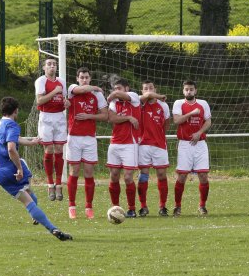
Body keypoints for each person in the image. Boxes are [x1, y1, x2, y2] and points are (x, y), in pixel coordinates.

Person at [0, 97, 72, 241]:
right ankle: (53, 229)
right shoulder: (12, 125)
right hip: (11, 169)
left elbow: (13, 139)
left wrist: (31, 142)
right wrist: (19, 169)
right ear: (16, 111)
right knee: (29, 198)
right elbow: (11, 148)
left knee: (29, 195)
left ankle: (36, 216)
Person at [66, 67, 108, 219]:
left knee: (89, 173)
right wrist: (95, 87)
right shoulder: (72, 89)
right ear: (77, 79)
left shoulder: (97, 95)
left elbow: (105, 116)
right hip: (74, 137)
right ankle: (72, 206)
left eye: (86, 77)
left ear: (90, 78)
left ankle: (89, 207)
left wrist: (89, 116)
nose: (84, 79)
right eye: (82, 77)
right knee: (74, 172)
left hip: (90, 138)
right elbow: (80, 90)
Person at [172, 80, 212, 217]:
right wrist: (191, 113)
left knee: (203, 176)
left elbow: (208, 121)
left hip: (200, 144)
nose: (189, 91)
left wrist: (199, 132)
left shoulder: (203, 104)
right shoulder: (178, 103)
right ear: (183, 91)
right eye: (186, 89)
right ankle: (177, 206)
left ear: (195, 91)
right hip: (185, 144)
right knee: (182, 176)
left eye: (191, 89)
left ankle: (202, 206)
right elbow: (177, 121)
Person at [106, 79, 142, 218]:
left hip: (130, 144)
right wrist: (128, 118)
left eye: (119, 88)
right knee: (114, 176)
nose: (116, 91)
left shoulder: (133, 98)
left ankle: (132, 209)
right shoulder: (114, 103)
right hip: (115, 143)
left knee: (127, 177)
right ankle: (115, 208)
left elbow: (118, 96)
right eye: (115, 88)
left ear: (127, 88)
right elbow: (112, 119)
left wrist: (114, 94)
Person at [35, 57, 69, 201]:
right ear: (44, 68)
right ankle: (50, 184)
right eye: (49, 64)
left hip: (60, 117)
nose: (52, 66)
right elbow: (40, 100)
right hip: (46, 117)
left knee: (60, 150)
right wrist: (55, 91)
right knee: (48, 150)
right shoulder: (41, 81)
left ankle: (59, 184)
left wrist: (67, 102)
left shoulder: (62, 81)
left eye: (54, 64)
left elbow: (65, 99)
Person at [137, 80, 171, 217]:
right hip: (143, 145)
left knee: (162, 174)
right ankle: (143, 206)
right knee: (143, 175)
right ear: (142, 91)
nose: (149, 91)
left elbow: (166, 124)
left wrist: (159, 136)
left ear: (155, 89)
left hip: (159, 144)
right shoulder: (138, 103)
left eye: (151, 88)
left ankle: (162, 206)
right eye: (145, 89)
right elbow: (142, 97)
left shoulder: (163, 105)